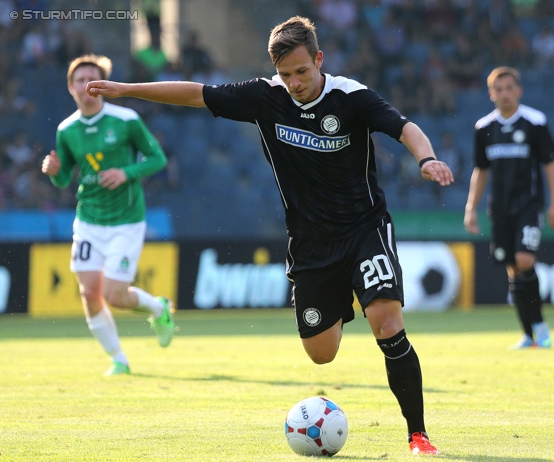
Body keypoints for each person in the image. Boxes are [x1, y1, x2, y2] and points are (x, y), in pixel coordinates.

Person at [86, 16, 453, 455]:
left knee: (387, 323)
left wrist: (426, 158)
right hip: (312, 243)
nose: (295, 82)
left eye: (302, 71)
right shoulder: (264, 97)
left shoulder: (351, 97)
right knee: (321, 354)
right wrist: (128, 90)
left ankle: (417, 434)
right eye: (286, 75)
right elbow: (194, 94)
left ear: (318, 59)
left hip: (364, 228)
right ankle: (346, 300)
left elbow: (404, 127)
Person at [41, 54, 175, 376]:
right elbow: (64, 180)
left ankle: (159, 309)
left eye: (93, 79)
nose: (86, 85)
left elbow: (158, 159)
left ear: (102, 87)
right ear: (70, 87)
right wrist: (54, 172)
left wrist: (126, 172)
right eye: (79, 80)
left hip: (126, 220)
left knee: (114, 294)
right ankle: (118, 359)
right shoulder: (66, 129)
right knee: (89, 292)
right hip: (88, 220)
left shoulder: (126, 119)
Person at [464, 66, 554, 350]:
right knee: (513, 269)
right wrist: (471, 207)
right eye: (499, 89)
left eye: (510, 88)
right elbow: (480, 170)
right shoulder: (484, 128)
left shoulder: (535, 122)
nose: (505, 94)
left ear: (518, 91)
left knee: (524, 260)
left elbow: (550, 164)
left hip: (529, 206)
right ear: (491, 93)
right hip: (500, 209)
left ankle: (540, 324)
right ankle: (528, 334)